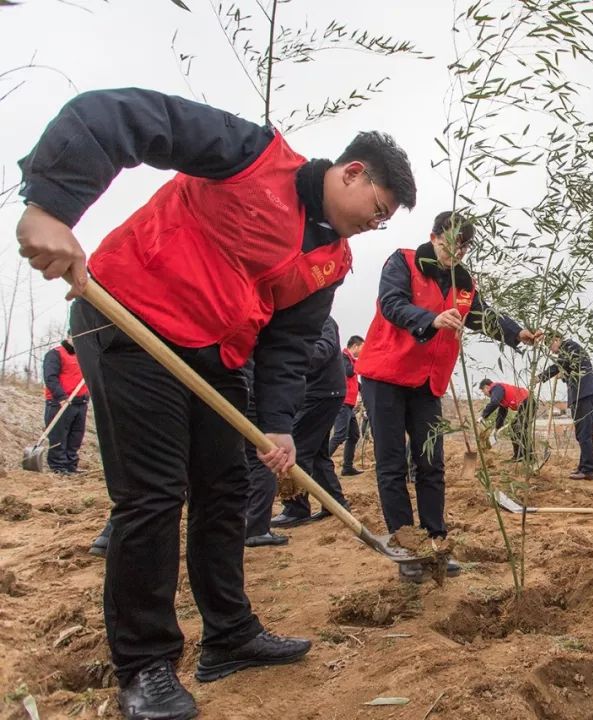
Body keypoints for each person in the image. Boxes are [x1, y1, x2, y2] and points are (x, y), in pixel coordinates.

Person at [15, 88, 416, 719]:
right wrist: (50, 206)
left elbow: (287, 345)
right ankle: (145, 666)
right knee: (153, 494)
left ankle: (229, 637)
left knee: (226, 489)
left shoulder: (331, 262)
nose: (378, 221)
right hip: (131, 322)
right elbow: (122, 118)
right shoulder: (253, 156)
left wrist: (278, 427)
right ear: (352, 172)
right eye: (379, 206)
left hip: (217, 355)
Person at [356, 211, 541, 582]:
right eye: (449, 242)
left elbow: (483, 316)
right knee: (392, 463)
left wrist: (517, 332)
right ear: (434, 236)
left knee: (431, 463)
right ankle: (406, 547)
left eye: (463, 245)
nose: (454, 250)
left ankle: (435, 542)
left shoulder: (464, 283)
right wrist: (431, 319)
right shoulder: (403, 261)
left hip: (427, 383)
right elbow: (391, 304)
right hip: (386, 377)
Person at [271, 316, 351, 527]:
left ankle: (296, 508)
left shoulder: (323, 320)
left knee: (298, 448)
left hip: (322, 393)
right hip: (322, 392)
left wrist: (288, 356)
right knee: (317, 453)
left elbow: (322, 350)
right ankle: (335, 503)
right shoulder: (308, 321)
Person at [538, 334, 593, 479]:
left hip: (583, 395)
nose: (552, 352)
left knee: (583, 434)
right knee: (585, 434)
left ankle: (588, 470)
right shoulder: (572, 352)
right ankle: (584, 466)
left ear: (557, 339)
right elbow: (568, 368)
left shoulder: (569, 346)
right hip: (589, 394)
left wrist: (540, 377)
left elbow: (559, 365)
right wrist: (564, 375)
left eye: (551, 347)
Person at [242, 362, 288, 548]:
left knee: (244, 459)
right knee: (264, 461)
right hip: (251, 390)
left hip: (235, 387)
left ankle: (245, 523)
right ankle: (257, 529)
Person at [41, 332, 90, 474]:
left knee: (76, 436)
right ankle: (58, 467)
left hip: (80, 402)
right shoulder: (55, 354)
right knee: (59, 436)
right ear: (69, 336)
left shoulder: (84, 356)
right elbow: (50, 378)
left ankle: (71, 465)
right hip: (61, 402)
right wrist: (61, 397)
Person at [329, 334, 365, 475]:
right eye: (362, 348)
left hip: (349, 404)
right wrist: (361, 363)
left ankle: (347, 467)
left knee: (354, 435)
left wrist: (365, 390)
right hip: (342, 403)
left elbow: (355, 382)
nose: (363, 352)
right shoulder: (343, 358)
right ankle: (317, 464)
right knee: (339, 435)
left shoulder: (350, 360)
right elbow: (349, 372)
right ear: (355, 346)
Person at [478, 378, 535, 462]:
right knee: (514, 428)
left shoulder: (496, 387)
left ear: (487, 387)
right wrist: (496, 428)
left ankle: (529, 457)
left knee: (518, 428)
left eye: (483, 391)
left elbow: (494, 403)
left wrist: (483, 416)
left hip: (528, 403)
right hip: (525, 404)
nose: (485, 394)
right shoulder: (500, 394)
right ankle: (519, 456)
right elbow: (502, 412)